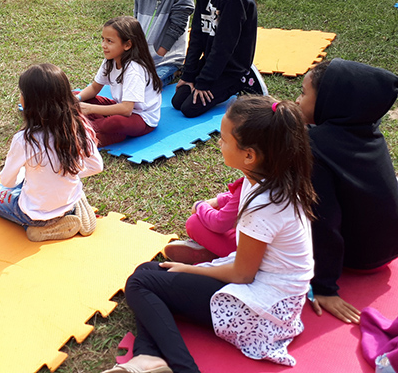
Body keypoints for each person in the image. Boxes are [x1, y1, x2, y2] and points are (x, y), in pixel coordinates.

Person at [109, 96, 316, 373]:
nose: (219, 143)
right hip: (265, 286)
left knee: (139, 283)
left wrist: (191, 270)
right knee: (147, 271)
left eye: (224, 139)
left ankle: (184, 367)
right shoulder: (263, 178)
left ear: (249, 155)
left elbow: (243, 274)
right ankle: (149, 357)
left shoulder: (264, 205)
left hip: (264, 310)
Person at [296, 59, 398, 325]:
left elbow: (323, 221)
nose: (297, 100)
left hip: (362, 259)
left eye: (304, 94)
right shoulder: (366, 127)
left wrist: (324, 287)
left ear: (329, 101)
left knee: (295, 203)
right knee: (396, 184)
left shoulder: (314, 148)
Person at [0, 63, 103, 242]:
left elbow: (7, 182)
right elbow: (97, 166)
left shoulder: (24, 139)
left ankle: (38, 229)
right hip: (67, 203)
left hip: (34, 214)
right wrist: (67, 172)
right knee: (42, 182)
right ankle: (75, 207)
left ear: (30, 102)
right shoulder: (79, 128)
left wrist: (23, 175)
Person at [172, 0, 264, 119]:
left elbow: (224, 44)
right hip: (212, 61)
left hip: (232, 68)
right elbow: (197, 34)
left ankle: (242, 81)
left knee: (189, 109)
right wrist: (189, 74)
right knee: (177, 101)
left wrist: (205, 82)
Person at [76, 16, 162, 147]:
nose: (103, 45)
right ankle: (92, 126)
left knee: (115, 122)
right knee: (74, 96)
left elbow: (127, 109)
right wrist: (77, 99)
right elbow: (94, 88)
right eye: (103, 39)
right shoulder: (110, 60)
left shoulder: (134, 70)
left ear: (127, 45)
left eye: (109, 41)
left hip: (141, 118)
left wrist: (90, 109)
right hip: (119, 106)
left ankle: (84, 129)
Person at [163, 177, 243, 263]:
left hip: (245, 251)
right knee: (217, 212)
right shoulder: (252, 180)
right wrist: (219, 201)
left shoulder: (249, 183)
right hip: (248, 241)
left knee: (194, 223)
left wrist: (200, 205)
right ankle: (214, 251)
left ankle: (219, 255)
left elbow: (219, 223)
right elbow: (238, 197)